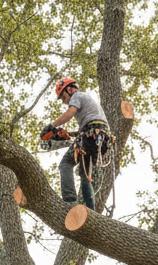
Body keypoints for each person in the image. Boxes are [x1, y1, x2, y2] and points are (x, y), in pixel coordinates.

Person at [45, 77, 110, 212]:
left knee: (65, 163)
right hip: (99, 136)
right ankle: (92, 213)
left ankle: (69, 203)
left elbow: (69, 113)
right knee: (85, 175)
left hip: (89, 133)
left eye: (63, 97)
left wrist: (51, 126)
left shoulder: (77, 96)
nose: (65, 101)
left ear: (69, 89)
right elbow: (90, 124)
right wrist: (67, 135)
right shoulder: (89, 102)